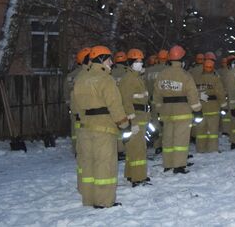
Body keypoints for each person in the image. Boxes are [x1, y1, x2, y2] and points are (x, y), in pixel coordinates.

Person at [71, 46, 136, 208]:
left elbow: (76, 106)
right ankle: (104, 201)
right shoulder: (106, 79)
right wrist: (124, 125)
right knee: (104, 165)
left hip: (85, 128)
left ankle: (88, 199)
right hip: (104, 128)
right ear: (101, 60)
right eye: (109, 59)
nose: (112, 62)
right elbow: (115, 105)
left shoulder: (81, 78)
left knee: (87, 164)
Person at [153, 45, 202, 174]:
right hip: (182, 112)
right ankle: (179, 165)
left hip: (166, 112)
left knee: (168, 139)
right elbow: (192, 94)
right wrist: (197, 109)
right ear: (181, 59)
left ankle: (168, 163)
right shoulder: (185, 75)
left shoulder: (162, 74)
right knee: (180, 140)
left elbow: (157, 94)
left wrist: (159, 110)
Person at [118, 48, 150, 187]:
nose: (140, 63)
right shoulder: (129, 79)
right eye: (137, 61)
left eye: (141, 61)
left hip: (141, 115)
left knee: (134, 147)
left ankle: (132, 174)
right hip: (135, 117)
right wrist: (133, 121)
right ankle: (138, 177)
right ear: (130, 63)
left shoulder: (136, 77)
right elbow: (126, 101)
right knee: (138, 149)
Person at [193, 59, 226, 153]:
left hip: (200, 108)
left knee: (200, 130)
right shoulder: (215, 79)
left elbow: (192, 92)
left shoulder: (196, 78)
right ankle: (213, 149)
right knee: (213, 131)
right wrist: (224, 105)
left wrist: (199, 96)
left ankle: (200, 148)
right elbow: (220, 93)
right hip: (213, 107)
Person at [65, 47, 90, 156]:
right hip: (86, 108)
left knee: (76, 130)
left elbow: (66, 92)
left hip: (74, 108)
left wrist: (69, 105)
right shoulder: (88, 74)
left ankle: (77, 150)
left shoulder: (71, 76)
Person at [144, 49, 168, 154]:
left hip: (152, 100)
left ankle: (157, 145)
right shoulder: (168, 70)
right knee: (166, 123)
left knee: (156, 123)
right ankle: (166, 144)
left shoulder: (148, 71)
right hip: (165, 101)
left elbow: (144, 86)